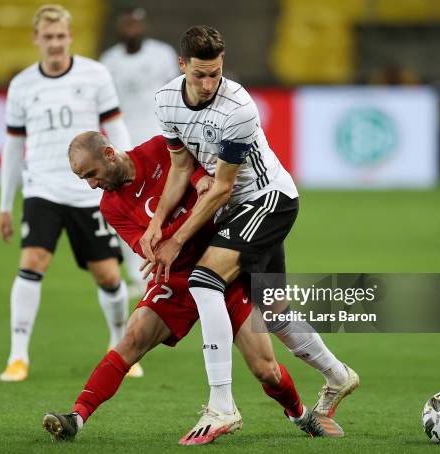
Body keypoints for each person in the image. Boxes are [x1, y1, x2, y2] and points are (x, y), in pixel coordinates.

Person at [41, 132, 344, 445]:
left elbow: (210, 191)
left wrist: (171, 232)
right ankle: (76, 417)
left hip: (222, 265)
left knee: (265, 369)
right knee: (131, 340)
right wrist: (176, 231)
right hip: (178, 275)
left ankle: (300, 415)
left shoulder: (161, 148)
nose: (91, 184)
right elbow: (152, 251)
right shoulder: (111, 207)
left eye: (91, 174)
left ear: (108, 154)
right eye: (83, 179)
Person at [140, 25, 359, 437]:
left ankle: (221, 406)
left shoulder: (238, 106)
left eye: (215, 74)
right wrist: (156, 223)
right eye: (199, 74)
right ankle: (337, 375)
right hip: (237, 211)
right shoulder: (166, 100)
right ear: (182, 65)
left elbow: (222, 188)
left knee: (205, 280)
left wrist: (175, 240)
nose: (208, 84)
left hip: (268, 200)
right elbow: (181, 168)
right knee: (273, 312)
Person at [0, 4, 142, 382]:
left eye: (61, 36)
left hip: (87, 194)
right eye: (48, 37)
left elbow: (116, 127)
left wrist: (125, 174)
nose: (56, 44)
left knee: (108, 275)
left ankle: (119, 344)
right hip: (41, 188)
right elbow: (13, 147)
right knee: (33, 262)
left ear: (70, 37)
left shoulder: (95, 75)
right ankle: (17, 356)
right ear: (36, 39)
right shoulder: (22, 85)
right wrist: (5, 204)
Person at [99, 7, 179, 297]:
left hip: (161, 144)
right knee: (130, 213)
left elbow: (177, 92)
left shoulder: (162, 54)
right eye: (127, 22)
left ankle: (174, 264)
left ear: (143, 24)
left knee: (167, 206)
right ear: (120, 26)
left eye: (136, 22)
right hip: (125, 150)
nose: (132, 28)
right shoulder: (109, 62)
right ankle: (138, 274)